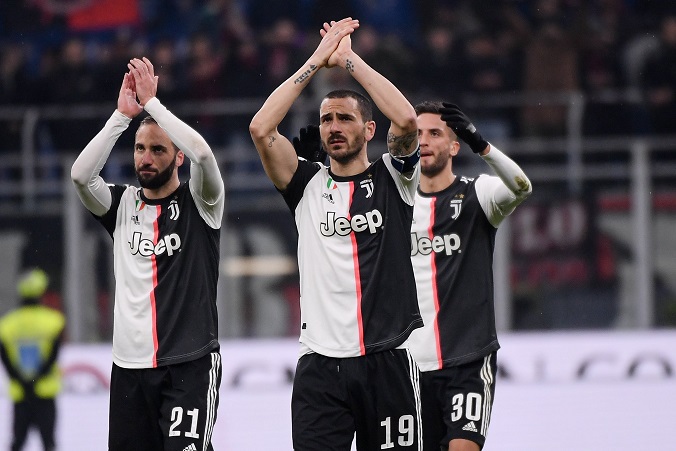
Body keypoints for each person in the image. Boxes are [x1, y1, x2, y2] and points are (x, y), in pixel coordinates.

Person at [249, 18, 424, 450]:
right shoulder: (305, 183)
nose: (333, 126)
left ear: (368, 131)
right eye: (326, 119)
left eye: (345, 118)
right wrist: (315, 60)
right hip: (320, 365)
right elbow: (260, 128)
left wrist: (347, 60)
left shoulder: (393, 179)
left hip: (386, 357)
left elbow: (404, 119)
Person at [70, 57, 224, 451]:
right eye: (140, 148)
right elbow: (80, 176)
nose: (146, 157)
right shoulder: (120, 205)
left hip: (189, 363)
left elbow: (205, 156)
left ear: (178, 157)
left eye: (158, 149)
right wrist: (121, 117)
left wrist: (153, 105)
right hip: (130, 368)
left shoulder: (201, 202)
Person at [408, 101, 532, 450]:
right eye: (417, 134)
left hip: (467, 358)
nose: (425, 141)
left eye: (435, 133)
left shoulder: (478, 192)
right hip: (409, 365)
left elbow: (521, 187)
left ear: (454, 145)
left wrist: (483, 145)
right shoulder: (396, 204)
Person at [0, 268, 66, 451]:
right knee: (49, 443)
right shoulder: (53, 320)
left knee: (17, 442)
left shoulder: (7, 324)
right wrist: (37, 379)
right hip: (45, 392)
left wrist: (22, 381)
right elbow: (53, 355)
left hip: (21, 394)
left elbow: (5, 358)